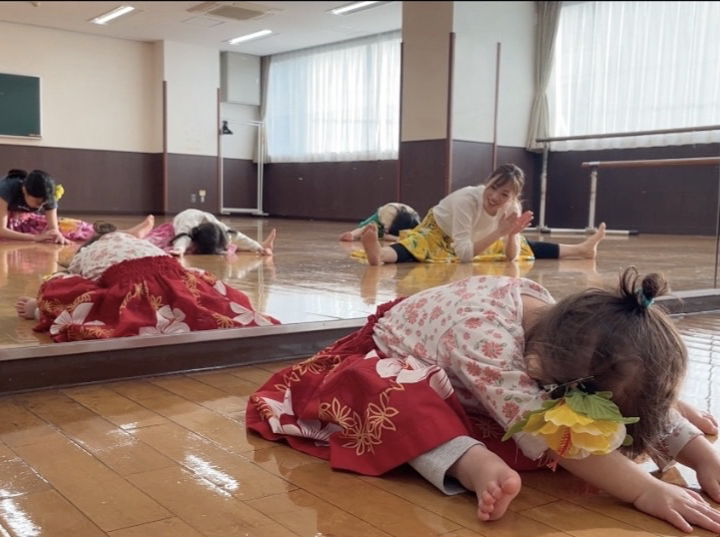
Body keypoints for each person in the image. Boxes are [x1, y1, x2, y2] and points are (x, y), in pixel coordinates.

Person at [246, 267, 720, 534]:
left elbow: (622, 377)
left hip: (470, 371)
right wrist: (643, 490)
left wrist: (702, 456)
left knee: (606, 404)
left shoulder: (570, 328)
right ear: (535, 371)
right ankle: (466, 462)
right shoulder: (484, 342)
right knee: (398, 399)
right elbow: (562, 439)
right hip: (389, 362)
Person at [15, 220, 279, 342]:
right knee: (207, 293)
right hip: (176, 278)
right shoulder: (138, 243)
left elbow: (74, 282)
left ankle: (39, 311)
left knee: (62, 285)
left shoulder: (85, 254)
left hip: (133, 288)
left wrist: (45, 300)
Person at [345, 200, 607, 261]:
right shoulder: (470, 203)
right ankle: (379, 255)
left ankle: (582, 249)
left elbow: (513, 254)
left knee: (528, 246)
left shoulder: (504, 214)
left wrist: (511, 234)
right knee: (417, 244)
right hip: (440, 234)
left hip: (477, 241)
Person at [0, 168, 94, 245]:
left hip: (23, 220)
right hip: (4, 220)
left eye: (43, 204)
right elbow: (1, 230)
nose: (40, 207)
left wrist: (57, 235)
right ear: (24, 190)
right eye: (37, 202)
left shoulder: (47, 194)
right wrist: (35, 237)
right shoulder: (6, 188)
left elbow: (53, 228)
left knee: (77, 229)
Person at [144, 208, 276, 256]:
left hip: (206, 231)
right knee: (153, 243)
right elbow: (183, 236)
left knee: (234, 245)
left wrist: (259, 248)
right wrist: (180, 249)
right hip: (176, 228)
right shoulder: (187, 225)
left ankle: (262, 244)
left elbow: (238, 237)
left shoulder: (222, 229)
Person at [340, 202, 421, 242]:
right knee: (367, 227)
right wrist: (398, 239)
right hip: (382, 214)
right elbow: (385, 235)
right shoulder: (388, 215)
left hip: (397, 213)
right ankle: (352, 235)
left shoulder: (414, 219)